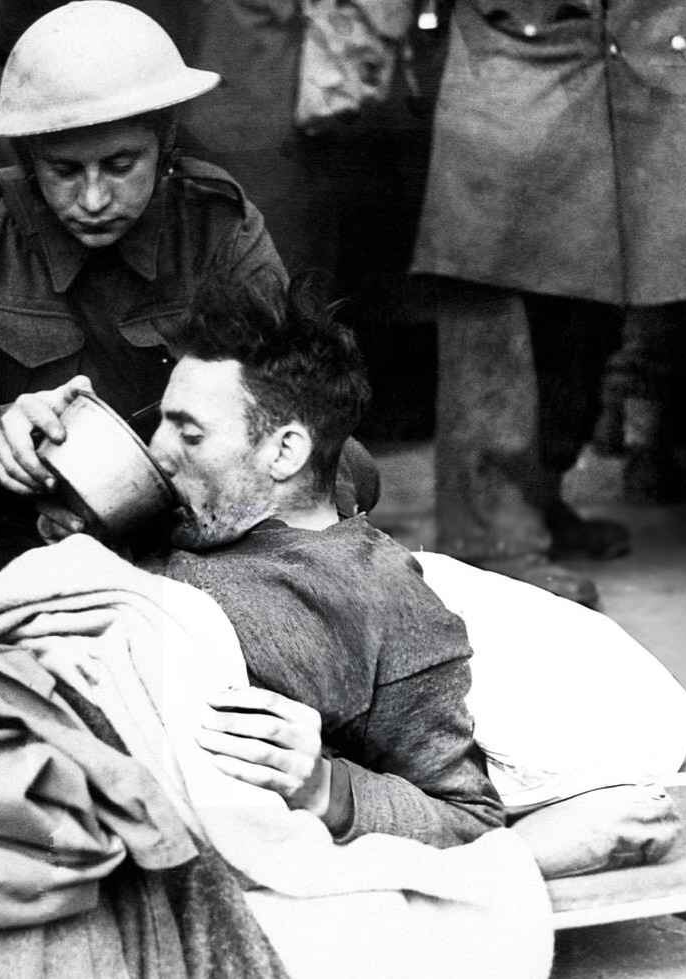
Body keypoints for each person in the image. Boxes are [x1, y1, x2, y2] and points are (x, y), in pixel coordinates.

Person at [0, 0, 293, 601]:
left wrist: (162, 502)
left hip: (183, 518)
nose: (93, 198)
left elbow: (288, 405)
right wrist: (5, 437)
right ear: (25, 158)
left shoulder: (218, 226)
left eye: (121, 165)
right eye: (64, 170)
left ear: (165, 144)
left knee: (341, 482)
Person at [133, 270, 503, 846]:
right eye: (162, 422)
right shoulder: (178, 517)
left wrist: (325, 790)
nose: (157, 452)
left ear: (285, 451)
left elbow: (468, 817)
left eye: (190, 435)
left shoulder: (380, 600)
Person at [410, 0, 686, 605]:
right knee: (497, 308)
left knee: (591, 312)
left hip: (642, 68)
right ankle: (489, 538)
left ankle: (538, 501)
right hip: (514, 60)